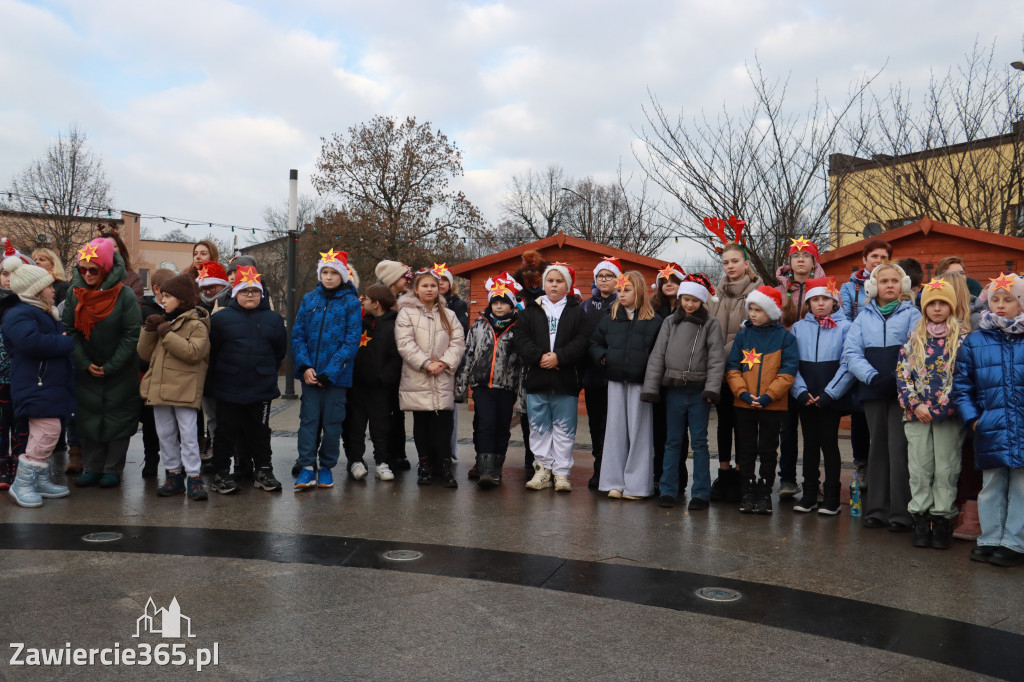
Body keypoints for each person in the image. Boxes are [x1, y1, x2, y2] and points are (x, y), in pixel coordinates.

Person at [833, 262, 921, 530]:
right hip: (872, 390)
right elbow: (851, 353)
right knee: (877, 448)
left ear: (903, 285)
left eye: (895, 280)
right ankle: (877, 509)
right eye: (884, 281)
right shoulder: (863, 317)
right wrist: (871, 377)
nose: (890, 285)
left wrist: (897, 379)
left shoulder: (912, 314)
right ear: (874, 286)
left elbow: (916, 348)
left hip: (901, 392)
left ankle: (900, 513)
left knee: (898, 449)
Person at [954, 273, 1024, 567]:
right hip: (990, 425)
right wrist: (972, 419)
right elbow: (962, 385)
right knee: (992, 484)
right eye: (995, 299)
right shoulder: (976, 340)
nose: (1001, 305)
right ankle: (991, 537)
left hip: (1020, 426)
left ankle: (1014, 542)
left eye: (1008, 299)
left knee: (1021, 486)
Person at [63, 238, 142, 489]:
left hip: (120, 369)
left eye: (93, 269)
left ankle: (112, 469)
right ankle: (92, 467)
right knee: (89, 417)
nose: (86, 274)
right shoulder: (74, 294)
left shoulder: (125, 294)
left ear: (106, 268)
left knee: (118, 419)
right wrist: (85, 363)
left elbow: (131, 334)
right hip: (87, 369)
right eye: (82, 269)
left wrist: (111, 365)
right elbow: (70, 331)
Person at [642, 273, 723, 509]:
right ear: (680, 298)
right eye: (685, 299)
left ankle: (700, 493)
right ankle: (668, 489)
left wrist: (711, 389)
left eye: (694, 300)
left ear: (702, 301)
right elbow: (657, 356)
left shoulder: (711, 324)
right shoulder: (669, 322)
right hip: (674, 391)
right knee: (672, 441)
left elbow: (716, 359)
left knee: (699, 443)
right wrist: (651, 387)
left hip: (698, 393)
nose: (689, 304)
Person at [896, 278, 967, 549]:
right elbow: (903, 375)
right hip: (916, 415)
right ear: (924, 307)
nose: (937, 308)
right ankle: (921, 517)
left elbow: (961, 377)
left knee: (946, 468)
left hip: (947, 417)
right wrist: (916, 405)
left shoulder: (961, 340)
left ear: (951, 306)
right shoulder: (914, 340)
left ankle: (941, 519)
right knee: (920, 468)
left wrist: (941, 408)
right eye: (932, 303)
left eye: (942, 303)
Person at [1, 257, 75, 508]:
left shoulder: (41, 312)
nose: (53, 290)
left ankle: (39, 478)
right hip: (35, 383)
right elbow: (31, 342)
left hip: (46, 383)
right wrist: (66, 342)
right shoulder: (19, 313)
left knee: (47, 432)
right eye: (48, 286)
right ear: (35, 289)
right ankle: (22, 482)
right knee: (48, 431)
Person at [207, 266, 287, 495]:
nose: (250, 295)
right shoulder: (220, 320)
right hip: (228, 387)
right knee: (225, 431)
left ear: (262, 293)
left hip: (261, 388)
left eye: (254, 290)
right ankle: (221, 472)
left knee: (260, 432)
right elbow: (212, 353)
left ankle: (263, 470)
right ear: (235, 294)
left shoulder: (273, 319)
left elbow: (279, 351)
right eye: (245, 290)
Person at [514, 262, 591, 493]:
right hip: (537, 378)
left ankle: (561, 473)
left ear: (567, 285)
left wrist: (560, 358)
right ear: (544, 284)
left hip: (566, 380)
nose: (554, 285)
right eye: (550, 280)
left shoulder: (577, 312)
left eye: (559, 281)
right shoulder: (531, 310)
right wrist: (541, 357)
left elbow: (583, 340)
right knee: (539, 428)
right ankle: (543, 470)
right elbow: (521, 338)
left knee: (564, 429)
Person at [291, 249, 362, 491]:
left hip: (336, 378)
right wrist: (305, 366)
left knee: (332, 423)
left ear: (343, 275)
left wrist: (330, 372)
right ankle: (307, 467)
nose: (329, 277)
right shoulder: (310, 299)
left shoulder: (351, 303)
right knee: (308, 421)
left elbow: (351, 341)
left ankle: (326, 467)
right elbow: (298, 334)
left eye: (333, 272)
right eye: (325, 272)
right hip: (310, 376)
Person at [138, 271, 211, 501]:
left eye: (168, 296)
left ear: (181, 298)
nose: (163, 301)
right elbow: (144, 354)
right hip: (160, 388)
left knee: (188, 435)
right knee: (165, 434)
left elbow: (193, 353)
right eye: (162, 296)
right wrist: (149, 331)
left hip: (184, 389)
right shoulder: (164, 321)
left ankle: (194, 477)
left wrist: (167, 333)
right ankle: (173, 475)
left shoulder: (196, 324)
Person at [725, 285, 798, 514]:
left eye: (759, 309)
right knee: (745, 448)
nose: (753, 314)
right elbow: (733, 368)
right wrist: (744, 394)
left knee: (768, 449)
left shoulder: (786, 338)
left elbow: (788, 372)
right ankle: (747, 489)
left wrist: (767, 396)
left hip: (773, 405)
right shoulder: (743, 336)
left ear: (772, 311)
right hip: (744, 404)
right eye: (751, 309)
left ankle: (765, 490)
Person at [589, 271, 662, 500]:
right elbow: (594, 342)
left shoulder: (654, 321)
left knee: (640, 433)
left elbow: (658, 353)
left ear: (639, 291)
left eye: (626, 290)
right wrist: (604, 358)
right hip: (615, 381)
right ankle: (613, 481)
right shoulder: (610, 317)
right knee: (615, 431)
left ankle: (637, 486)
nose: (621, 294)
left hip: (640, 384)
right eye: (619, 290)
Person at [395, 266, 466, 487]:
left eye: (433, 286)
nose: (429, 289)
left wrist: (443, 363)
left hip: (442, 376)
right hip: (418, 376)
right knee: (422, 425)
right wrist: (426, 364)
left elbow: (458, 342)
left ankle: (444, 467)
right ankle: (425, 466)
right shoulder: (406, 313)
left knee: (443, 426)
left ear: (439, 289)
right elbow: (405, 343)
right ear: (416, 289)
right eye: (424, 285)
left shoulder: (449, 314)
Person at [789, 277, 852, 515]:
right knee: (810, 444)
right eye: (815, 299)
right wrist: (800, 391)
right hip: (805, 394)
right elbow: (791, 364)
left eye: (825, 298)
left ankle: (832, 496)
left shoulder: (846, 327)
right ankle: (809, 493)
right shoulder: (798, 328)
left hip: (830, 396)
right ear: (808, 303)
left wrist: (830, 393)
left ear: (834, 301)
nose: (820, 303)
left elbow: (847, 364)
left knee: (829, 443)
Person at [707, 243, 763, 502]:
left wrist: (719, 353)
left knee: (743, 425)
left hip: (745, 371)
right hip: (718, 370)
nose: (729, 266)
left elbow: (751, 331)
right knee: (724, 423)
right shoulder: (715, 295)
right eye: (725, 262)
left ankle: (743, 475)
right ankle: (724, 473)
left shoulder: (757, 293)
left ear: (745, 264)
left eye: (734, 261)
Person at [456, 273, 521, 488]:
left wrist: (521, 393)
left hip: (507, 386)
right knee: (485, 424)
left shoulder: (518, 329)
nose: (499, 306)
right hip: (482, 384)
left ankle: (495, 469)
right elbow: (468, 354)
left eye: (504, 302)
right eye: (496, 302)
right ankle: (483, 468)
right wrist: (462, 384)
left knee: (501, 426)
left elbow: (522, 364)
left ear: (512, 305)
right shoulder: (479, 325)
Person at [776, 237, 827, 500]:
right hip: (784, 366)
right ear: (790, 262)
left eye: (806, 256)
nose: (800, 260)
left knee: (813, 431)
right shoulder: (780, 289)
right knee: (786, 428)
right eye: (796, 256)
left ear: (813, 261)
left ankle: (812, 480)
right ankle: (787, 478)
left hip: (813, 365)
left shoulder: (824, 290)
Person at [342, 283, 402, 483]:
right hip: (357, 386)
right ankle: (356, 460)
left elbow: (396, 357)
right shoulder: (360, 323)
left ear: (376, 304)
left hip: (380, 389)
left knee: (381, 426)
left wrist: (384, 378)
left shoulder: (393, 326)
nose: (362, 301)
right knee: (356, 426)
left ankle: (382, 462)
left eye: (365, 299)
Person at [581, 257, 622, 489]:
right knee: (596, 423)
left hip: (617, 374)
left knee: (615, 424)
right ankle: (599, 466)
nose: (604, 280)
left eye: (609, 276)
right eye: (600, 276)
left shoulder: (623, 302)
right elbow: (583, 338)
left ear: (617, 280)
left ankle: (615, 470)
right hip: (593, 374)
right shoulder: (587, 306)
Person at [648, 262, 686, 490]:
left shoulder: (689, 308)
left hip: (681, 380)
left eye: (673, 280)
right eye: (664, 281)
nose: (668, 284)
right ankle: (658, 474)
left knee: (680, 432)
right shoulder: (652, 310)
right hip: (658, 379)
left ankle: (679, 478)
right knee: (659, 430)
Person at [374, 260, 414, 472]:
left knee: (398, 414)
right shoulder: (374, 306)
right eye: (402, 277)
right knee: (383, 413)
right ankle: (385, 454)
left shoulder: (407, 304)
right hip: (382, 368)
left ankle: (399, 453)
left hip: (402, 368)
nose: (407, 280)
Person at [512, 250, 549, 474]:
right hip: (527, 362)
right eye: (529, 280)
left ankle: (547, 459)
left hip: (548, 361)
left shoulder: (550, 296)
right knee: (526, 413)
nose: (533, 283)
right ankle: (530, 457)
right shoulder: (519, 296)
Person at [139, 268, 176, 477]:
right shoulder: (144, 311)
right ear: (157, 290)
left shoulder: (178, 311)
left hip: (173, 376)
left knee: (174, 423)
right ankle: (151, 459)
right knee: (151, 423)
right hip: (151, 375)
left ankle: (174, 465)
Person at [0, 262, 29, 490]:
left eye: (13, 274)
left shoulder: (28, 304)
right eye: (4, 273)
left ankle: (20, 464)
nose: (8, 278)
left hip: (21, 377)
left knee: (21, 423)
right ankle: (2, 465)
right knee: (1, 423)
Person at [97, 225, 144, 303]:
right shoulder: (90, 275)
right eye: (105, 246)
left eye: (114, 246)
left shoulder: (133, 279)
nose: (109, 249)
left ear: (121, 250)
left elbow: (134, 304)